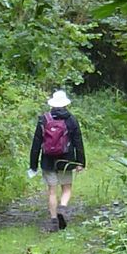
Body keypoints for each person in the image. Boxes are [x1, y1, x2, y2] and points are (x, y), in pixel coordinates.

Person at [28, 88, 87, 230]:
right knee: (66, 188)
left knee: (52, 191)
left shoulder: (44, 119)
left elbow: (36, 144)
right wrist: (80, 162)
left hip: (48, 160)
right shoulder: (71, 120)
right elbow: (78, 142)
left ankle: (54, 221)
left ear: (52, 104)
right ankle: (63, 207)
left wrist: (33, 165)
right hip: (66, 160)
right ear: (66, 104)